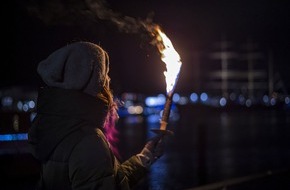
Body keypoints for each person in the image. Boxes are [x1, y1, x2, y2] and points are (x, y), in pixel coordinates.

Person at [28, 41, 168, 190]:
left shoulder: (52, 129)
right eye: (104, 74)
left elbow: (106, 181)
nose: (108, 80)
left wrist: (144, 158)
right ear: (93, 81)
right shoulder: (89, 140)